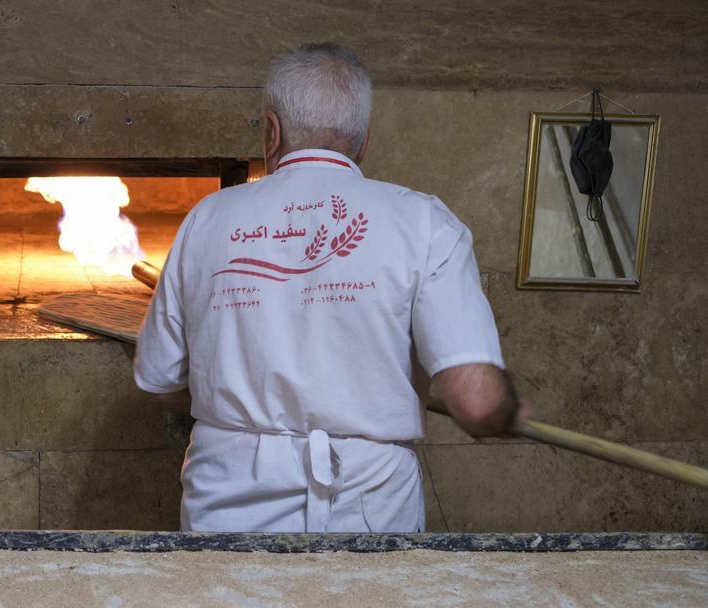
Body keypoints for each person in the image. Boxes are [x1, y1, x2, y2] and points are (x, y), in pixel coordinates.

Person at [133, 43, 524, 533]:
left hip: (228, 507)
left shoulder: (207, 218)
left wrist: (237, 385)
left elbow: (158, 379)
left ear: (271, 131)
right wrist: (506, 409)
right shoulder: (425, 223)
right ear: (361, 142)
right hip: (369, 511)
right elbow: (477, 402)